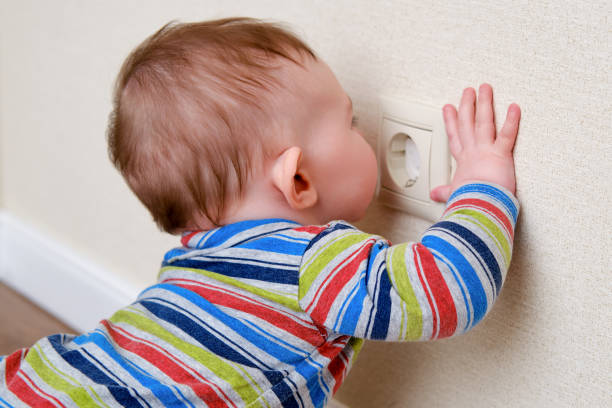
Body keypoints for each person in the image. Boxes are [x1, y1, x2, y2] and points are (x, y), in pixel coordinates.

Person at [0, 17, 521, 407]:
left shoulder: (193, 262)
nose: (363, 130)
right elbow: (448, 287)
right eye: (352, 120)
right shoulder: (314, 260)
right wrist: (483, 184)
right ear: (298, 180)